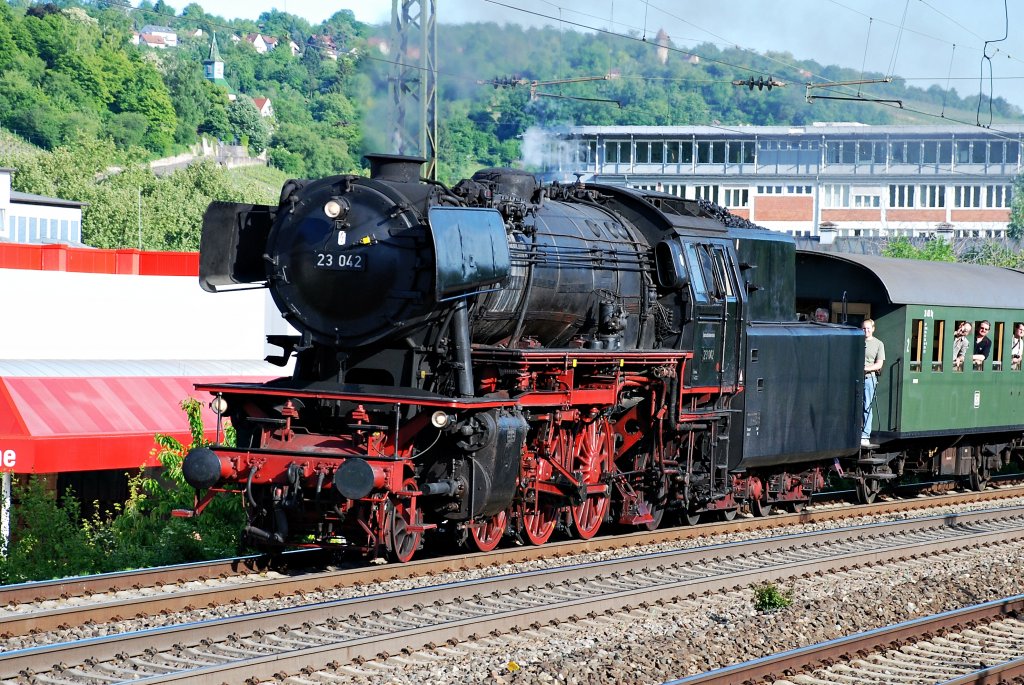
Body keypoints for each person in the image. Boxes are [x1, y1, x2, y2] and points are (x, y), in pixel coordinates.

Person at [862, 319, 885, 448]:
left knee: (867, 407)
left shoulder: (878, 344)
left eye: (868, 328)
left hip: (869, 378)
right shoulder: (858, 341)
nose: (866, 331)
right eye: (864, 328)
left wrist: (866, 368)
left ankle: (865, 435)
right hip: (855, 378)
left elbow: (879, 364)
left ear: (873, 329)